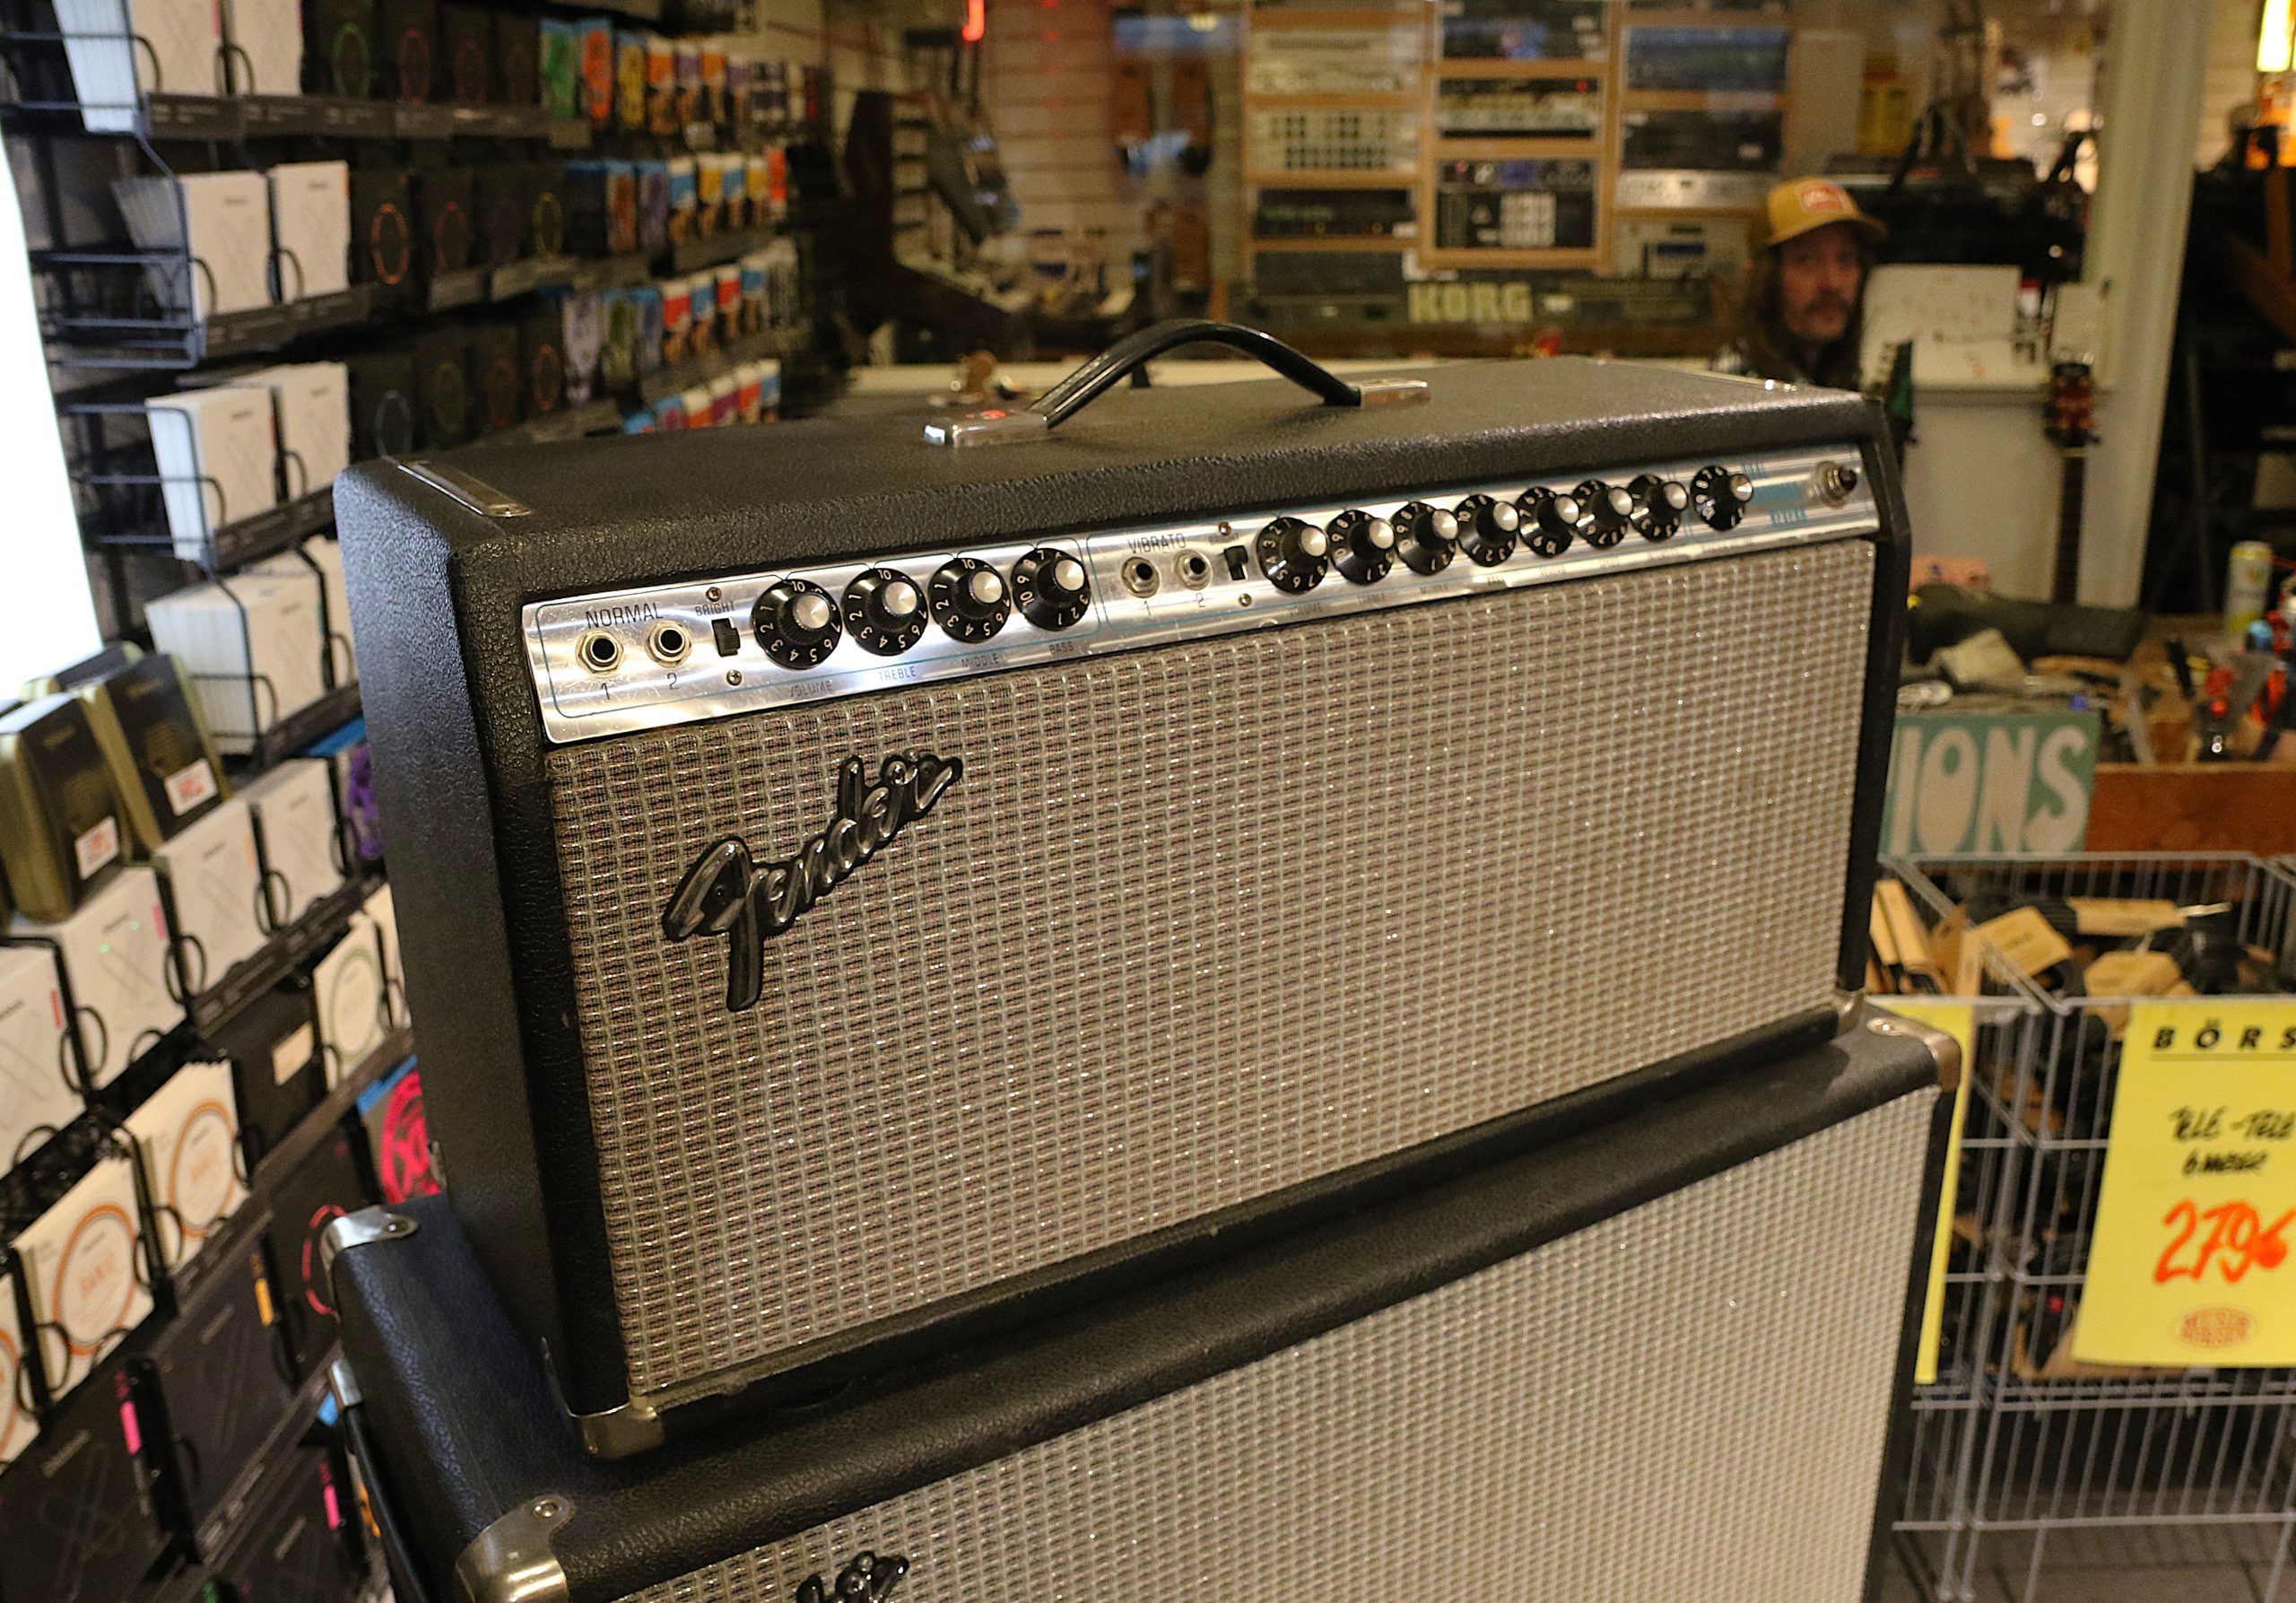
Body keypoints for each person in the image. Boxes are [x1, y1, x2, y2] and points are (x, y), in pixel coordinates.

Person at [1713, 178, 1885, 390]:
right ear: (1762, 278)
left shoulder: (1831, 374)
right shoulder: (1737, 383)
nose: (1832, 283)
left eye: (1846, 258)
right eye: (1806, 260)